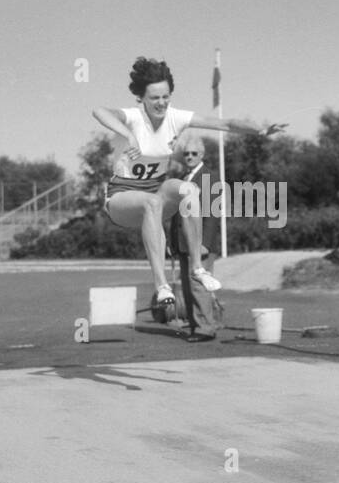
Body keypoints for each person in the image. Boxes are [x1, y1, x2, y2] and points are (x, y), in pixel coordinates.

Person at [92, 56, 286, 321]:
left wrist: (261, 131)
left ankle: (197, 268)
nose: (161, 103)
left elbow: (226, 124)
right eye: (154, 98)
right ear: (141, 98)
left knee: (188, 190)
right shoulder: (132, 118)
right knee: (152, 203)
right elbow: (99, 111)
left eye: (165, 97)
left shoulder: (176, 117)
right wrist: (127, 135)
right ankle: (161, 286)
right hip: (121, 199)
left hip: (154, 193)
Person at [163, 132, 222, 340]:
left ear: (202, 154)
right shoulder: (181, 180)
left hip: (200, 243)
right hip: (183, 243)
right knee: (187, 287)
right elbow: (176, 215)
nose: (189, 157)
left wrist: (205, 243)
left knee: (198, 286)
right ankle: (197, 325)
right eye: (186, 153)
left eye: (194, 153)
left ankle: (206, 328)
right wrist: (171, 243)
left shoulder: (210, 177)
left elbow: (213, 214)